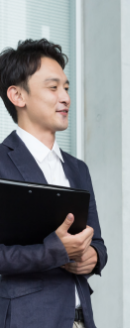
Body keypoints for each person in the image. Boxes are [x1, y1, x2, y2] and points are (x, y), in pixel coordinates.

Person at [0, 39, 107, 328]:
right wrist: (55, 251)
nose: (66, 98)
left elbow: (97, 241)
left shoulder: (78, 169)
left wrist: (94, 257)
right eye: (53, 87)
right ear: (17, 96)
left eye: (67, 87)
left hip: (81, 319)